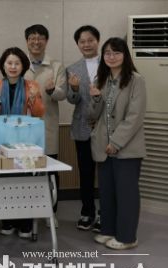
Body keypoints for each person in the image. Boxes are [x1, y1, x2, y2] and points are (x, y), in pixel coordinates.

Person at [89, 37, 146, 250]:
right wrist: (95, 98)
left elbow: (135, 116)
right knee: (107, 192)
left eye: (116, 52)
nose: (111, 57)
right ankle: (108, 230)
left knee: (126, 194)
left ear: (125, 55)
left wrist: (116, 142)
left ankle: (127, 237)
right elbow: (92, 115)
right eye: (107, 53)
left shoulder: (136, 80)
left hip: (126, 148)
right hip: (102, 147)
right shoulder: (101, 79)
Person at [0, 47, 45, 238]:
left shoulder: (32, 85)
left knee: (25, 182)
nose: (13, 67)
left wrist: (33, 99)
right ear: (3, 65)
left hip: (25, 141)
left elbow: (39, 113)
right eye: (9, 63)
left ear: (23, 66)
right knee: (5, 182)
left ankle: (25, 223)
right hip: (2, 139)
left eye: (17, 63)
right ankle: (7, 222)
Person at [23, 24, 66, 226]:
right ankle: (25, 214)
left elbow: (63, 94)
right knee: (24, 171)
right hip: (23, 129)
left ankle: (51, 213)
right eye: (32, 38)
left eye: (40, 38)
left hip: (47, 126)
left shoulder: (56, 66)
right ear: (27, 41)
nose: (36, 41)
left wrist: (51, 91)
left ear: (46, 41)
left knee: (50, 172)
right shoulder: (19, 63)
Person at [66, 25, 102, 232]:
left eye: (90, 40)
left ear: (98, 41)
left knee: (106, 174)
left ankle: (106, 213)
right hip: (82, 126)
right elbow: (72, 100)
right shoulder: (73, 68)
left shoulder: (110, 64)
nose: (86, 44)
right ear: (78, 44)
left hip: (106, 127)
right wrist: (74, 88)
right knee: (86, 172)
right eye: (82, 41)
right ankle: (87, 212)